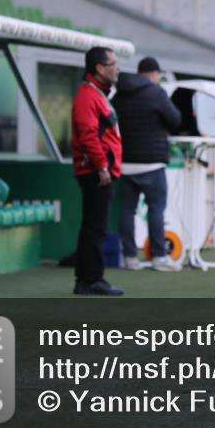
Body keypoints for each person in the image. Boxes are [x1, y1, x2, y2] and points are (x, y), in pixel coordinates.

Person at [113, 56, 184, 272]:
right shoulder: (156, 92)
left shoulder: (119, 94)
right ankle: (159, 257)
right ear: (155, 74)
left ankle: (129, 258)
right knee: (156, 210)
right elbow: (175, 120)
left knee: (127, 211)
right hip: (152, 163)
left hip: (125, 162)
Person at [71, 46, 124, 296]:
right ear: (100, 68)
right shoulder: (88, 95)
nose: (118, 69)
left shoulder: (95, 94)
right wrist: (102, 166)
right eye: (113, 64)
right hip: (95, 171)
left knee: (93, 226)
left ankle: (86, 280)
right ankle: (92, 280)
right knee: (95, 228)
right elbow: (88, 136)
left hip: (98, 170)